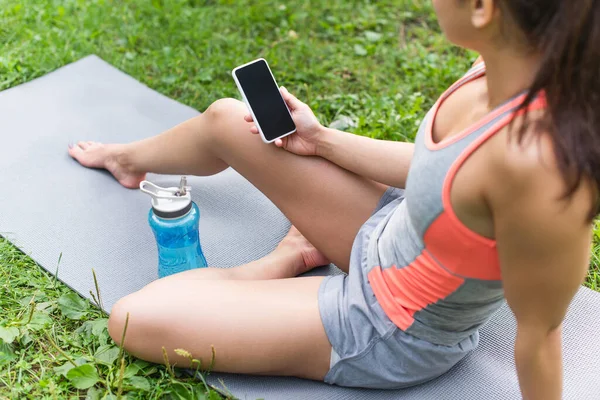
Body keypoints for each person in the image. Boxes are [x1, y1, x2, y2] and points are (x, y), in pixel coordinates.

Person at [68, 0, 599, 397]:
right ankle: (127, 160)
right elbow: (439, 171)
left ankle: (287, 259)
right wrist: (320, 140)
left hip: (387, 327)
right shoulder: (498, 64)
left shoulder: (542, 174)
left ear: (485, 9)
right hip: (389, 230)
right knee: (230, 120)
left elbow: (540, 331)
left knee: (134, 319)